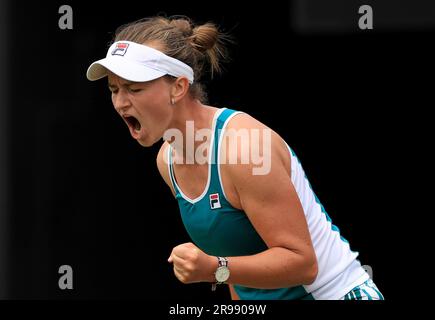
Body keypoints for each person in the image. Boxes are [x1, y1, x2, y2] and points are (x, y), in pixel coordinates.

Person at [86, 15, 384, 300]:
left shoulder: (243, 149)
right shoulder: (167, 161)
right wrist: (220, 271)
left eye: (134, 88)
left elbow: (303, 264)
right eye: (114, 89)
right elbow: (234, 268)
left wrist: (214, 269)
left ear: (178, 87)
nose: (121, 102)